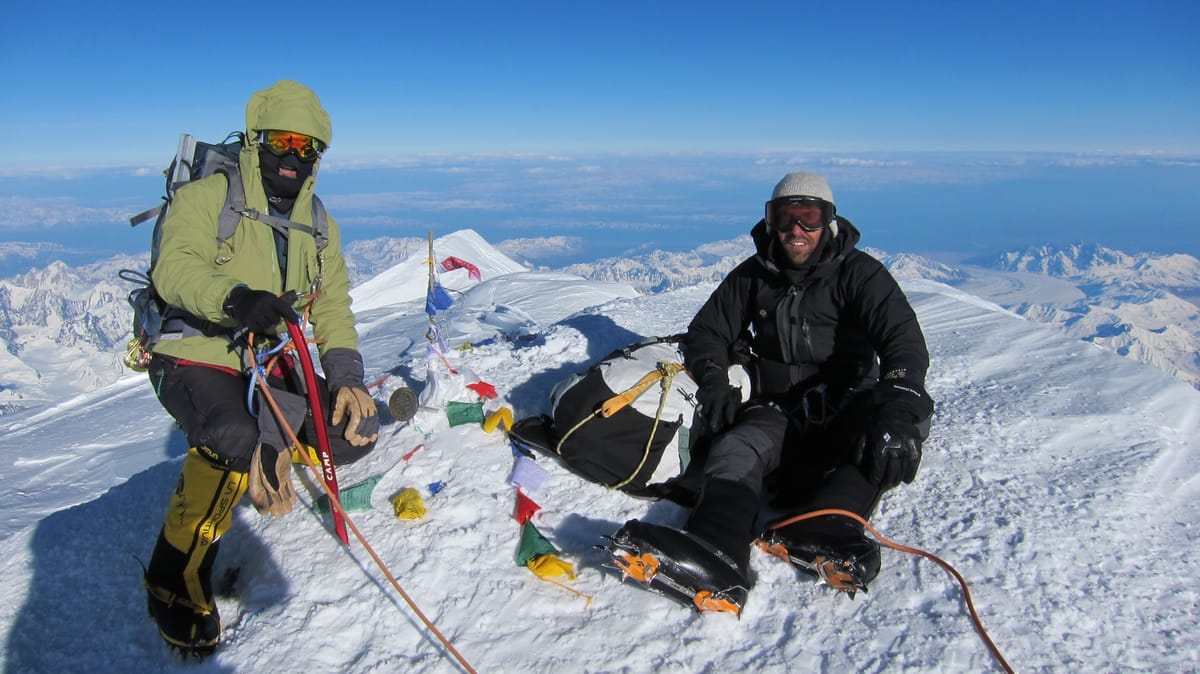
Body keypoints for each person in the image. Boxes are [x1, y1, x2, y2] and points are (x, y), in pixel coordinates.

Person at [607, 172, 934, 615]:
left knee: (886, 433)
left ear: (829, 222)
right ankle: (715, 550)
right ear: (771, 221)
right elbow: (708, 333)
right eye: (785, 217)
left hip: (848, 403)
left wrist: (899, 407)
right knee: (737, 447)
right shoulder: (753, 275)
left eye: (810, 217)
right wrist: (716, 383)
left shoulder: (861, 275)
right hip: (780, 406)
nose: (796, 230)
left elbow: (903, 342)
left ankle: (828, 525)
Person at [141, 80, 379, 656]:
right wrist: (235, 299)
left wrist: (345, 375)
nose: (295, 156)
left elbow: (332, 302)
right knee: (231, 434)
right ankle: (172, 574)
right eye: (284, 141)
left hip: (267, 355)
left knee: (350, 436)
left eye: (309, 147)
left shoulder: (318, 222)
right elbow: (173, 270)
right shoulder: (208, 199)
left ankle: (271, 453)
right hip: (196, 350)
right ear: (256, 141)